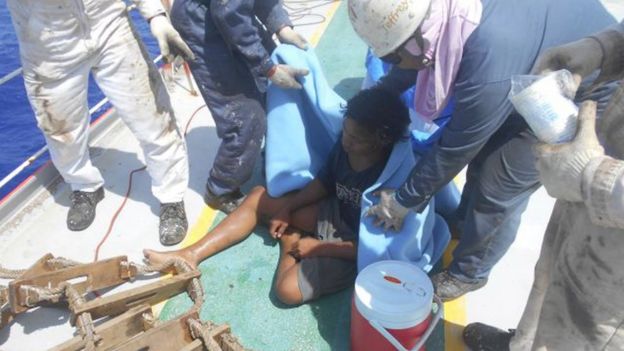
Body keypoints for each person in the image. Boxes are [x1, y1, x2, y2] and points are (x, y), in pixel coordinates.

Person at [348, 0, 617, 300]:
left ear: (414, 44)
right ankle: (465, 222)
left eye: (392, 58)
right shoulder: (441, 18)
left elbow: (454, 150)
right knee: (485, 153)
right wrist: (374, 97)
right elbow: (412, 63)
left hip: (593, 82)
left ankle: (469, 273)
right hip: (535, 55)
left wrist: (401, 202)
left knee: (499, 184)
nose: (393, 64)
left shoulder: (486, 65)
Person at [144, 87, 411, 304]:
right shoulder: (346, 145)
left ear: (382, 140)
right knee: (259, 197)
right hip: (335, 214)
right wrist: (288, 208)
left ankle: (291, 240)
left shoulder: (392, 185)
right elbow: (324, 182)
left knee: (287, 292)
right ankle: (190, 255)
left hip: (355, 247)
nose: (346, 141)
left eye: (356, 139)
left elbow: (377, 249)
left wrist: (320, 247)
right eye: (346, 131)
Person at [463, 21, 624, 351]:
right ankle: (522, 345)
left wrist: (595, 177)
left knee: (587, 326)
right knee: (552, 273)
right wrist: (608, 46)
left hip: (615, 254)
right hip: (604, 162)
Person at [7, 0, 194, 245]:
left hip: (109, 26)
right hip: (47, 46)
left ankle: (172, 197)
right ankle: (84, 187)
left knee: (155, 120)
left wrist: (155, 15)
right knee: (61, 132)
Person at [169, 0, 309, 214]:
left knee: (270, 92)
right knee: (246, 116)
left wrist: (282, 27)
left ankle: (275, 159)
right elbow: (230, 15)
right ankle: (220, 188)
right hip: (201, 25)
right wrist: (268, 68)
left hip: (230, 9)